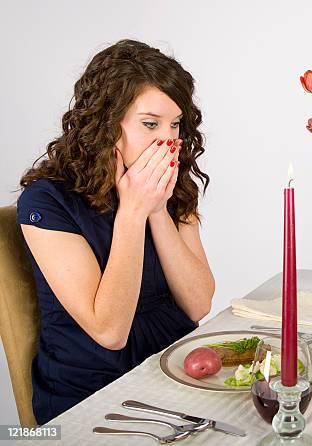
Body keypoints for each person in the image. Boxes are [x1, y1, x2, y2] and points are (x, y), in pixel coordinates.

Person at [17, 39, 215, 425]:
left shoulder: (174, 186)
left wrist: (157, 210)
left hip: (174, 376)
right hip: (91, 396)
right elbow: (109, 332)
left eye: (175, 124)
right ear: (107, 123)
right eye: (149, 124)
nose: (168, 141)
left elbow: (198, 303)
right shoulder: (46, 201)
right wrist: (132, 213)